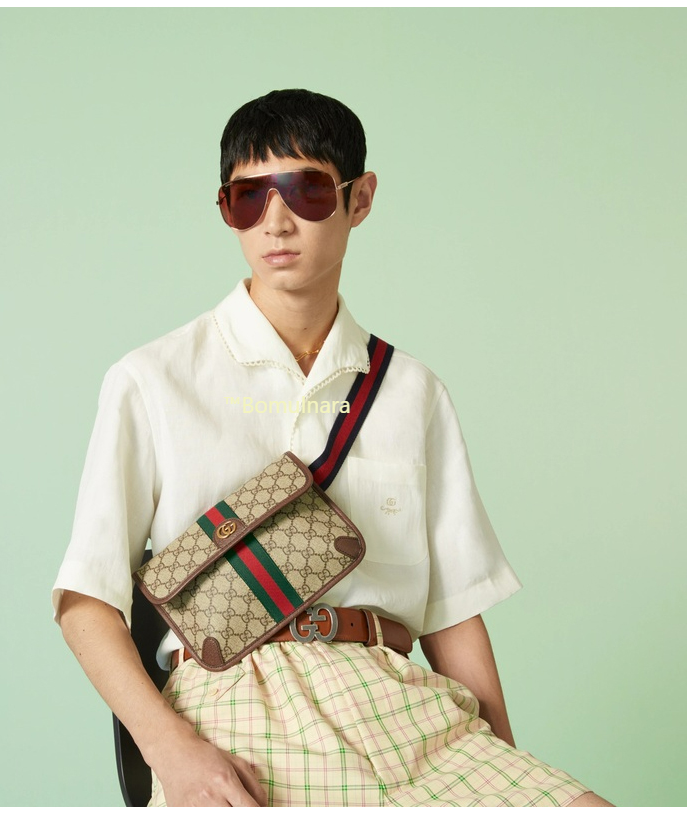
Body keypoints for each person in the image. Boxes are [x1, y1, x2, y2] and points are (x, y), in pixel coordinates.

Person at [53, 89, 613, 807]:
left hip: (405, 704)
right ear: (226, 209)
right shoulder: (152, 379)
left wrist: (509, 771)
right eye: (248, 198)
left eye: (307, 190)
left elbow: (453, 613)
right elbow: (86, 601)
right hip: (236, 706)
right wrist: (172, 752)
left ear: (360, 198)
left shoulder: (411, 391)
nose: (275, 221)